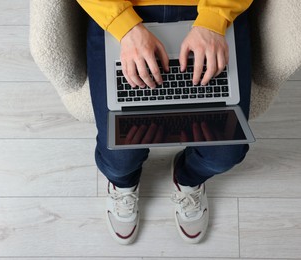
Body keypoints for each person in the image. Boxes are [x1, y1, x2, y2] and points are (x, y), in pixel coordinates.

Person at [76, 0, 253, 244]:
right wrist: (125, 26)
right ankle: (123, 183)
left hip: (209, 11)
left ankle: (188, 177)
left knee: (224, 153)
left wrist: (214, 19)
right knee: (119, 156)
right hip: (125, 10)